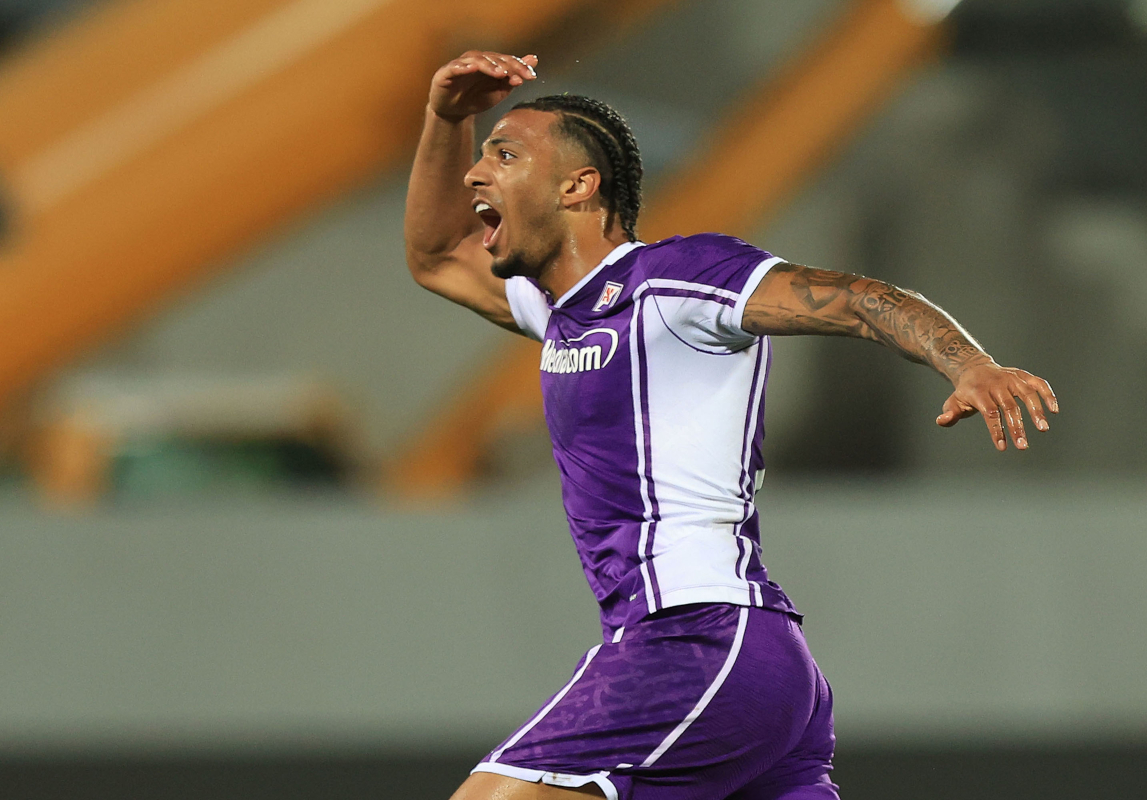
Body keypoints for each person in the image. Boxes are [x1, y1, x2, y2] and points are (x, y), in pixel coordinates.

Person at [405, 51, 1057, 800]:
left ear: (579, 185)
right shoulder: (559, 313)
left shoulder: (675, 281)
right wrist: (448, 116)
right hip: (745, 663)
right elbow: (434, 255)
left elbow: (856, 298)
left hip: (696, 641)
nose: (475, 175)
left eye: (505, 154)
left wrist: (967, 364)